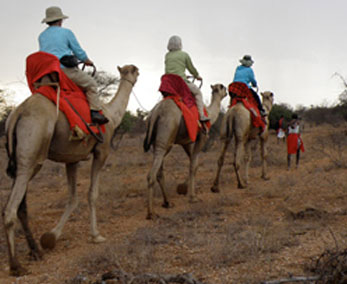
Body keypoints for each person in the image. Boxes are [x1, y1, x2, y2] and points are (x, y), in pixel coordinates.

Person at [38, 6, 108, 125]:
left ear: (48, 21)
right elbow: (77, 51)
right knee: (92, 84)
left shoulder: (41, 36)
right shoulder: (66, 32)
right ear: (60, 20)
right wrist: (87, 60)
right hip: (65, 71)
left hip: (47, 73)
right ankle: (95, 112)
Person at [164, 35, 209, 122]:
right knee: (198, 93)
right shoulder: (184, 55)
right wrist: (197, 76)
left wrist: (184, 75)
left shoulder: (167, 55)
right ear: (180, 44)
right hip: (180, 83)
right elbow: (191, 68)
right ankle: (202, 116)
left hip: (169, 84)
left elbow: (172, 70)